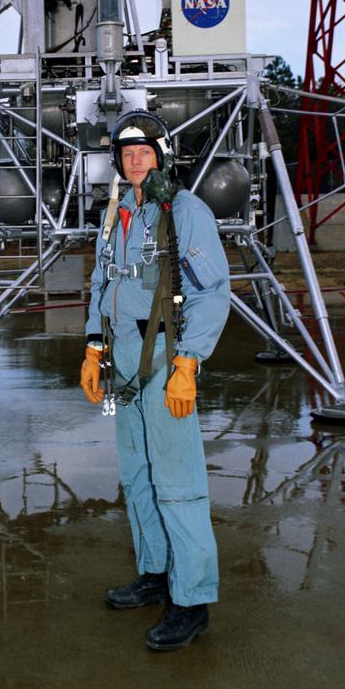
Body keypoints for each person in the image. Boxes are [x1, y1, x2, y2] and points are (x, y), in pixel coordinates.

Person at [80, 111, 231, 651]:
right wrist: (93, 348)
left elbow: (213, 291)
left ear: (161, 154)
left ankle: (191, 601)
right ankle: (156, 573)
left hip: (164, 356)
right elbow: (102, 281)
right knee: (138, 474)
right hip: (121, 358)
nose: (134, 158)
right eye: (126, 152)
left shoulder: (184, 211)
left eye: (144, 150)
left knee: (178, 481)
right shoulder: (118, 213)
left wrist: (188, 364)